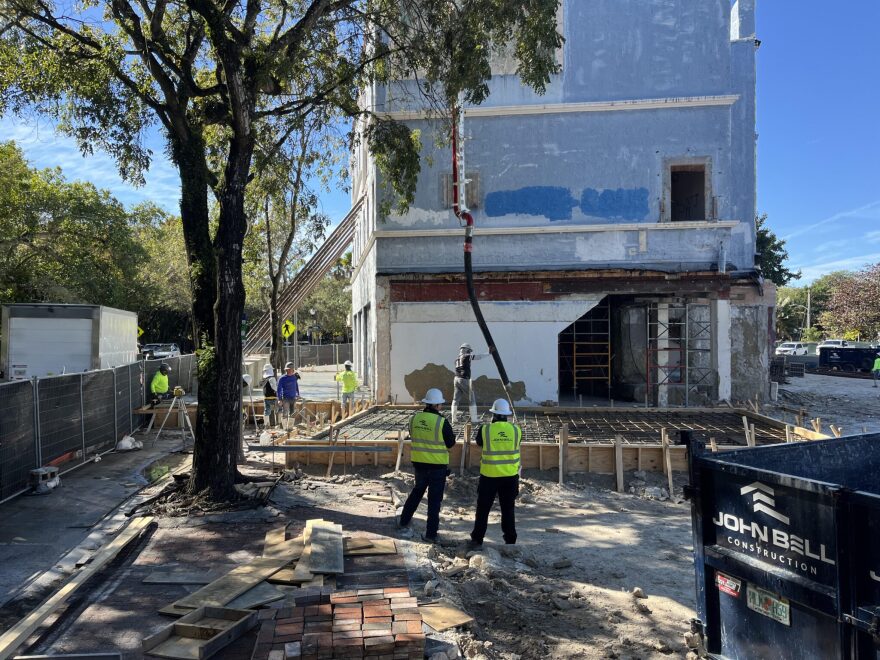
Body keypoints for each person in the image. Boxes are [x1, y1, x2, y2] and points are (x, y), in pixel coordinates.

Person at [398, 388, 456, 543]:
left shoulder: (414, 419)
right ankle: (431, 534)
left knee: (417, 492)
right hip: (437, 467)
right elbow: (451, 443)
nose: (441, 407)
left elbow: (413, 434)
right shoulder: (441, 422)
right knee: (434, 500)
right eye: (440, 404)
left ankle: (403, 520)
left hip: (420, 465)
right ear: (436, 405)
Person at [468, 398, 522, 549]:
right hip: (510, 477)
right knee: (508, 509)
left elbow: (479, 443)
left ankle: (477, 539)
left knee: (483, 509)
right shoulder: (516, 430)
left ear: (494, 415)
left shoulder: (485, 430)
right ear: (506, 415)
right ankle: (510, 540)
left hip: (489, 477)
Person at [451, 343, 489, 423]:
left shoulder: (456, 359)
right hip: (464, 379)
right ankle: (474, 419)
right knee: (472, 399)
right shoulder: (467, 356)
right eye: (469, 350)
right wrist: (488, 353)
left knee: (455, 400)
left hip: (456, 379)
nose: (470, 352)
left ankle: (453, 419)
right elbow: (479, 357)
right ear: (466, 350)